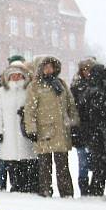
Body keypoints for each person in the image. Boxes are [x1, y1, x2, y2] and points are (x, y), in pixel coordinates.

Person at [23, 56, 78, 198]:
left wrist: (74, 123)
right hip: (44, 131)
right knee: (45, 165)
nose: (48, 69)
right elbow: (30, 110)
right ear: (40, 69)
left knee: (63, 165)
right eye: (45, 66)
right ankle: (45, 191)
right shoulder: (35, 86)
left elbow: (71, 105)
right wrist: (31, 129)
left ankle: (66, 193)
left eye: (51, 66)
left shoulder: (61, 84)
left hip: (61, 131)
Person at [0, 62, 37, 193]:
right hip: (9, 133)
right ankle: (15, 185)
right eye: (13, 75)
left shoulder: (29, 91)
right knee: (11, 162)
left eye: (19, 75)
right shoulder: (1, 92)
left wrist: (26, 113)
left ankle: (28, 186)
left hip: (25, 132)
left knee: (27, 160)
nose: (16, 78)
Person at [77, 64, 106, 197]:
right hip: (105, 132)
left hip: (94, 133)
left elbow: (82, 113)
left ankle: (96, 191)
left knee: (98, 165)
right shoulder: (105, 89)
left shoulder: (87, 91)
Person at [70, 58, 97, 195]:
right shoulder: (76, 86)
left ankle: (94, 189)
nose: (87, 72)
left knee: (96, 161)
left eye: (89, 69)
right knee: (83, 162)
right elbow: (72, 109)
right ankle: (84, 189)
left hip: (95, 129)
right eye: (84, 69)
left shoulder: (98, 85)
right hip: (81, 129)